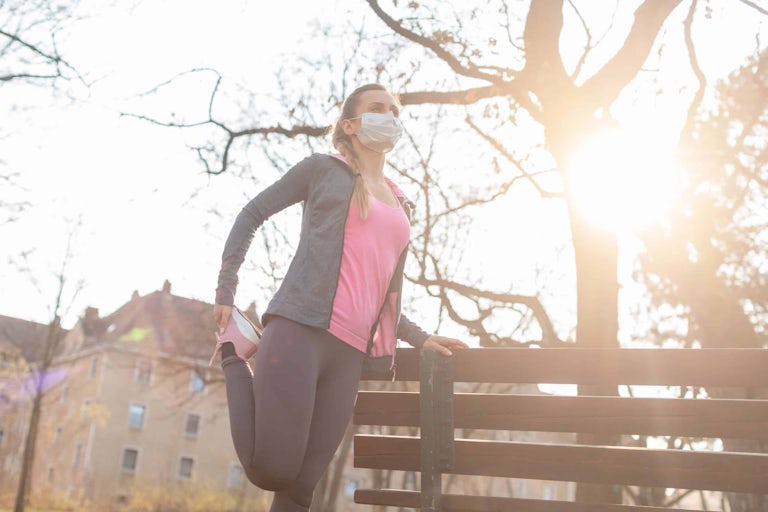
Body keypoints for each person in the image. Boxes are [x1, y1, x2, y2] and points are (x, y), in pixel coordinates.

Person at [212, 83, 468, 512]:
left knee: (300, 488)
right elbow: (252, 213)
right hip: (299, 330)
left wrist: (420, 338)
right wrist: (226, 286)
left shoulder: (403, 205)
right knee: (272, 469)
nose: (388, 115)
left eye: (394, 109)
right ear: (350, 125)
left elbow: (383, 294)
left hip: (350, 354)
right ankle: (234, 355)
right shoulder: (322, 170)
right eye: (376, 108)